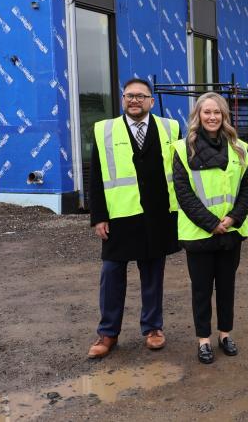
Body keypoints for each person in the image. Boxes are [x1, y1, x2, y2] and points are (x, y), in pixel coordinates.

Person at [87, 78, 181, 359]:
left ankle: (153, 328)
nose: (135, 100)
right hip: (120, 216)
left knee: (153, 274)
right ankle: (107, 333)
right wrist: (99, 217)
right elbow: (96, 176)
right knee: (112, 274)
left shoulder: (170, 127)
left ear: (151, 101)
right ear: (123, 99)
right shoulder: (104, 130)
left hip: (158, 214)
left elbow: (180, 169)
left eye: (141, 96)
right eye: (130, 95)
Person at [172, 92, 248, 364]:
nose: (212, 117)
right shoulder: (183, 150)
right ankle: (204, 340)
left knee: (227, 286)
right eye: (206, 112)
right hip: (199, 235)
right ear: (198, 116)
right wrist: (211, 223)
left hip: (230, 232)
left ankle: (225, 334)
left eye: (217, 112)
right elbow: (183, 192)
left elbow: (246, 189)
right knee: (202, 289)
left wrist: (232, 219)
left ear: (224, 116)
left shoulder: (239, 148)